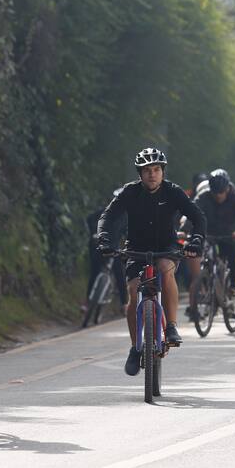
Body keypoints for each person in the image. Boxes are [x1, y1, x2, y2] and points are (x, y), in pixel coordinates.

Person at [97, 148, 206, 376]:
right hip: (136, 249)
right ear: (140, 174)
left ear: (162, 172)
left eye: (156, 170)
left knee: (166, 270)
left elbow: (198, 217)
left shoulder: (173, 192)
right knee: (133, 292)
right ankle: (136, 348)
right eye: (147, 171)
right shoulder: (129, 192)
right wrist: (105, 239)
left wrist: (196, 240)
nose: (152, 175)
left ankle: (172, 326)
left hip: (166, 247)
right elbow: (108, 217)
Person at [186, 169, 235, 311]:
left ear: (227, 188)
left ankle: (234, 286)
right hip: (210, 233)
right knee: (202, 252)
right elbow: (192, 212)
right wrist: (184, 229)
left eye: (222, 192)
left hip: (230, 234)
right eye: (215, 193)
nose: (219, 196)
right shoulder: (204, 196)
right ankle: (208, 283)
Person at [84, 188, 128, 316]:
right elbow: (90, 219)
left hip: (115, 249)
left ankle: (124, 304)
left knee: (119, 273)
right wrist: (94, 233)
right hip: (100, 246)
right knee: (95, 271)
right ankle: (87, 302)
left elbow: (128, 233)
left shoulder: (125, 217)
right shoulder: (103, 213)